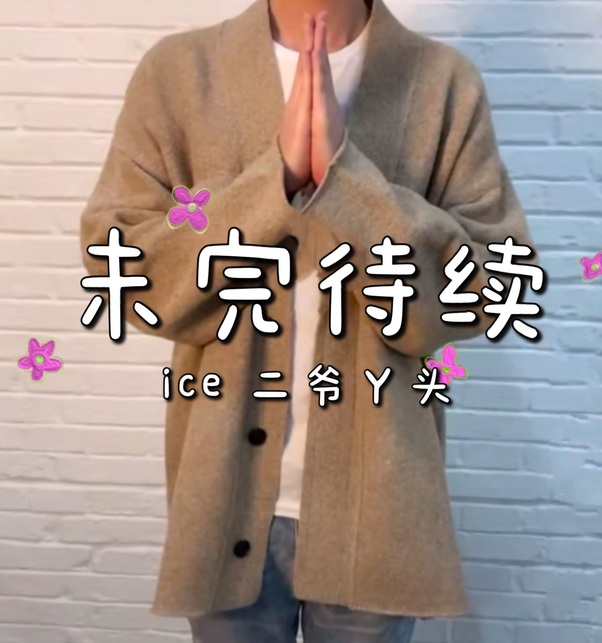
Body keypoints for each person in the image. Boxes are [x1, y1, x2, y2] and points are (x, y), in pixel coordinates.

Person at [80, 0, 537, 641]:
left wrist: (346, 183)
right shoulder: (181, 73)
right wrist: (278, 179)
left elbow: (490, 287)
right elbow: (127, 272)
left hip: (382, 503)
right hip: (220, 494)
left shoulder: (440, 82)